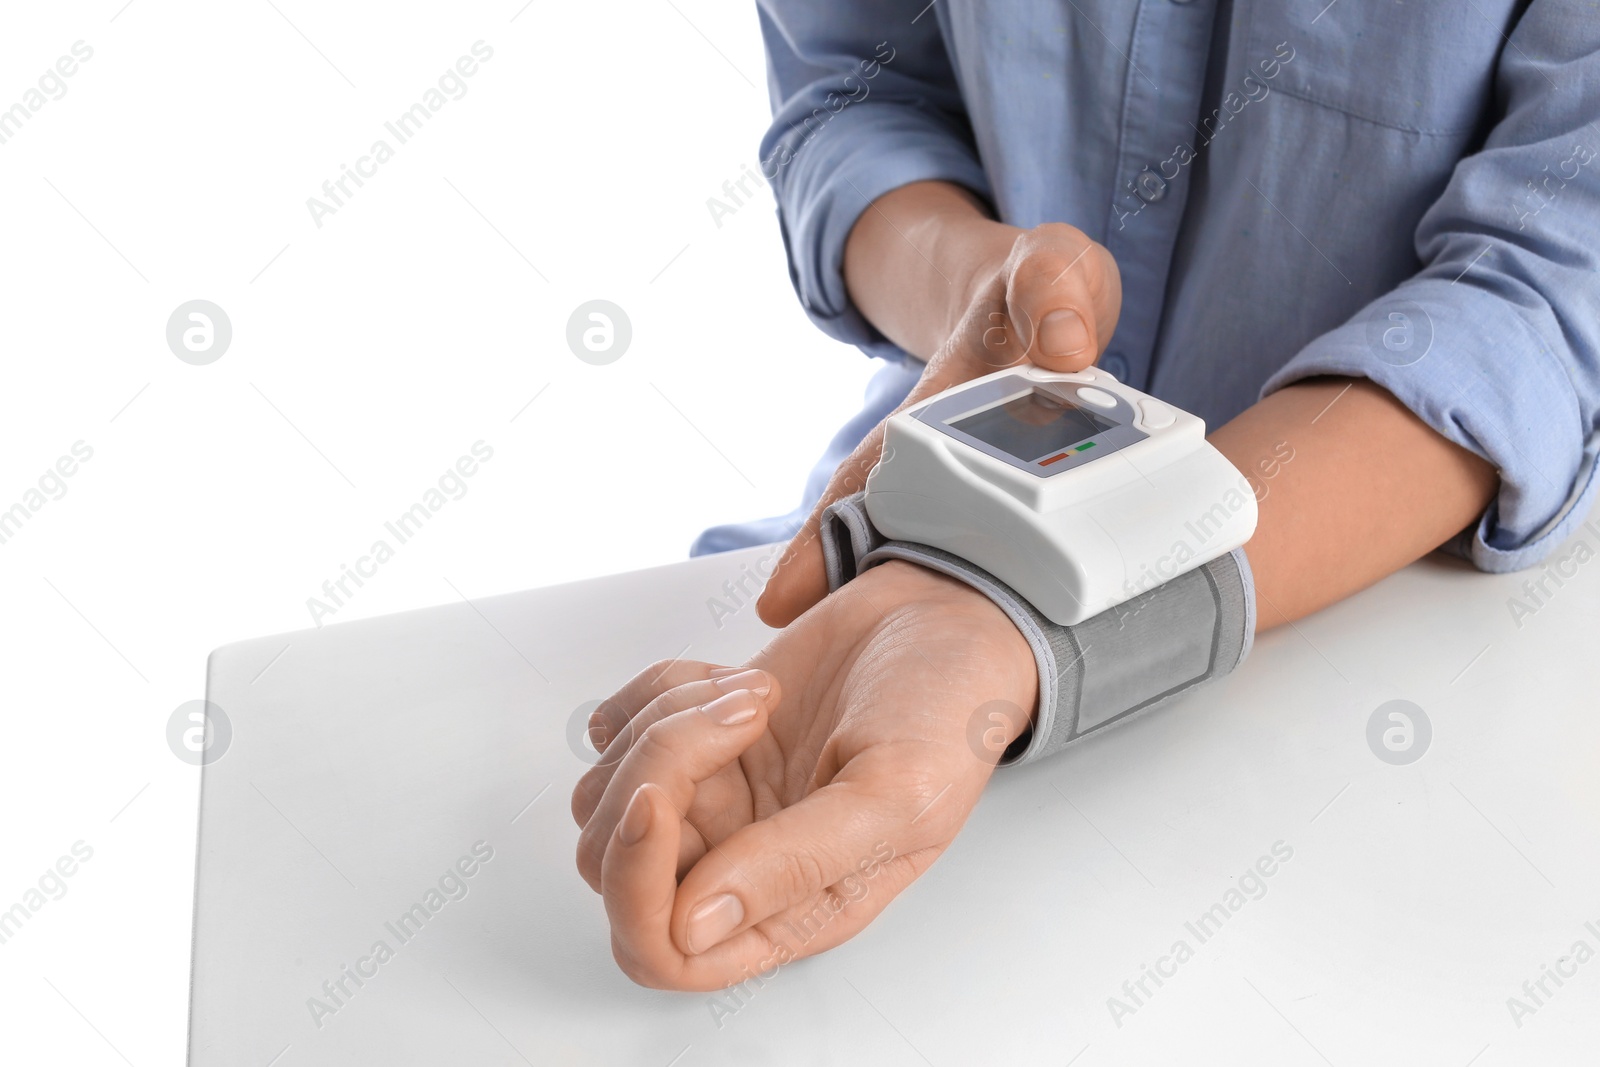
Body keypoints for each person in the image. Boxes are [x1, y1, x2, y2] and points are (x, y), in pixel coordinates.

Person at [573, 0, 1599, 989]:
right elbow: (852, 94)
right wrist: (980, 284)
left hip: (1390, 670)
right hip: (914, 524)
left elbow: (1540, 296)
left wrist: (1026, 618)